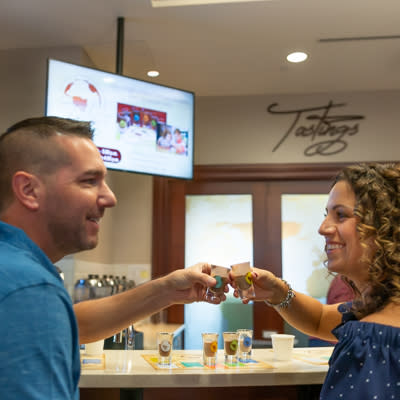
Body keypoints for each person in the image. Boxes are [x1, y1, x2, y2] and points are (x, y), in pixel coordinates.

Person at [0, 116, 225, 399]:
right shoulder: (30, 290)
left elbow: (73, 323)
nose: (110, 197)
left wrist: (167, 290)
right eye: (89, 181)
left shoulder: (14, 271)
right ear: (29, 190)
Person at [233, 163, 400, 399]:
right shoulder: (376, 311)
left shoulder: (369, 340)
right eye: (326, 215)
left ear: (385, 228)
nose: (322, 228)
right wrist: (277, 292)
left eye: (340, 215)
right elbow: (320, 318)